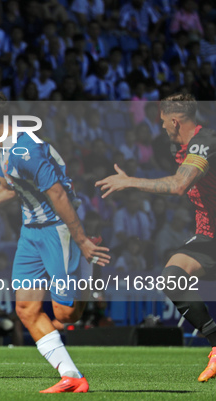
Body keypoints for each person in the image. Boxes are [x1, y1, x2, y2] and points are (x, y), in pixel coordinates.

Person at [0, 91, 110, 393]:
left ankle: (86, 273)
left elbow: (58, 194)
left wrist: (81, 239)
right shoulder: (2, 149)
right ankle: (72, 376)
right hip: (30, 233)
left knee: (65, 314)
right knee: (26, 309)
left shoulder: (25, 149)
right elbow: (8, 189)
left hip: (57, 230)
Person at [95, 93, 216, 382]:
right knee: (173, 276)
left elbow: (177, 185)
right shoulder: (186, 147)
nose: (160, 127)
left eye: (162, 122)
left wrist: (129, 181)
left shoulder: (204, 143)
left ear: (175, 121)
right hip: (209, 236)